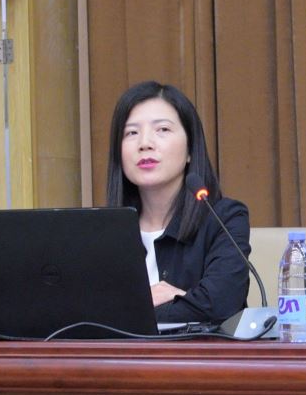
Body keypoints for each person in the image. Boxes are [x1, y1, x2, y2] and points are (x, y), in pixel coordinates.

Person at [105, 80, 252, 328]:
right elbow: (80, 315)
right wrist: (188, 301)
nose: (145, 143)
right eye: (131, 133)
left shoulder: (224, 219)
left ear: (190, 150)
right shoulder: (102, 230)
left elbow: (222, 306)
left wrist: (126, 312)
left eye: (162, 129)